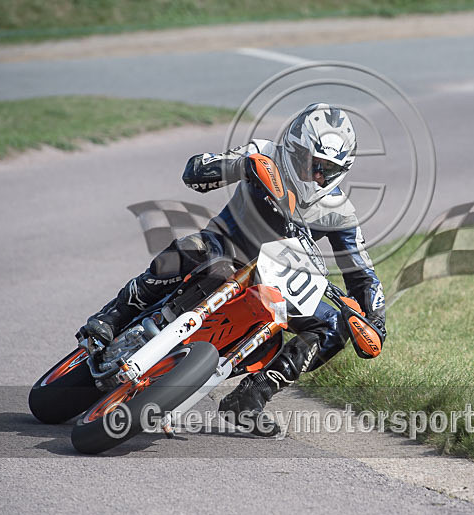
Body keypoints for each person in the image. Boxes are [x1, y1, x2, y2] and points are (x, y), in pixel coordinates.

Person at [79, 103, 386, 436]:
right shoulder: (264, 153)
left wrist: (376, 318)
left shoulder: (340, 210)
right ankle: (113, 316)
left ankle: (250, 398)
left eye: (328, 170)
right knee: (193, 249)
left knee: (334, 325)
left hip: (278, 282)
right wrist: (241, 166)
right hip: (225, 247)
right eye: (313, 164)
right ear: (294, 149)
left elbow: (362, 272)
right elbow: (195, 171)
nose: (317, 176)